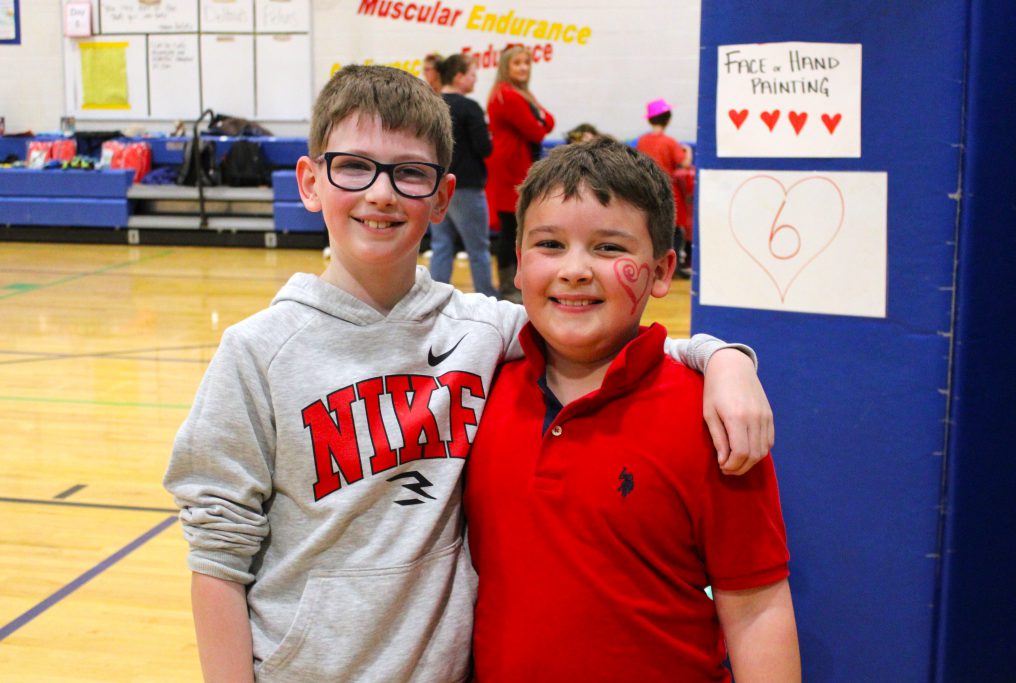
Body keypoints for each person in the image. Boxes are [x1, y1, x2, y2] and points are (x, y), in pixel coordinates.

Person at [164, 65, 774, 682]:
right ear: (310, 181)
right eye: (354, 166)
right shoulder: (256, 353)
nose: (381, 193)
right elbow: (218, 559)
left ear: (441, 197)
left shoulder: (481, 330)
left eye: (409, 173)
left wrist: (724, 358)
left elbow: (602, 331)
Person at [466, 138, 800, 681]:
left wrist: (725, 359)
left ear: (662, 271)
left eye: (608, 248)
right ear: (519, 264)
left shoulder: (714, 418)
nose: (575, 270)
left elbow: (758, 609)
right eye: (549, 244)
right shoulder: (478, 393)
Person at [485, 45, 555, 302]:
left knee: (513, 226)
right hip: (509, 168)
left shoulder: (518, 94)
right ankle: (508, 286)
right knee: (510, 227)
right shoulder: (509, 96)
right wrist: (539, 118)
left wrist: (540, 118)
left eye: (527, 63)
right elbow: (538, 130)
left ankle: (513, 282)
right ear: (506, 67)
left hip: (516, 165)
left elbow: (548, 121)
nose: (523, 68)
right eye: (517, 63)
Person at [429, 53, 497, 297]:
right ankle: (487, 296)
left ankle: (435, 296)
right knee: (478, 248)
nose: (475, 80)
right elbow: (484, 148)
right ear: (459, 77)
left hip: (435, 185)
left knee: (441, 245)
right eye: (472, 75)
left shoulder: (431, 103)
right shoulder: (470, 107)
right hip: (466, 186)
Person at [636, 97, 694, 278]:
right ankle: (672, 267)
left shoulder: (642, 141)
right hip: (668, 190)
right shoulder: (670, 142)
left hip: (645, 190)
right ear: (668, 119)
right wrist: (688, 151)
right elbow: (683, 163)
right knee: (674, 229)